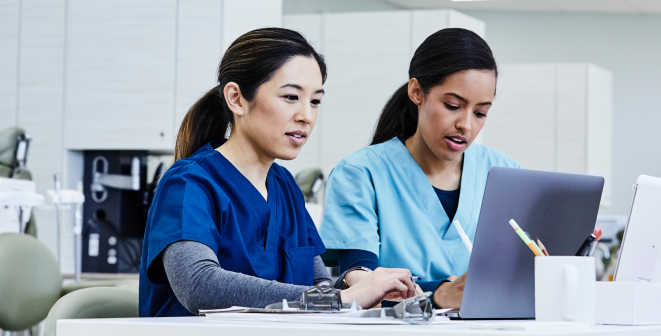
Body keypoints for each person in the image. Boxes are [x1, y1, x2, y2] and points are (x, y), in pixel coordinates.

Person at [139, 28, 420, 317]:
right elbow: (198, 285)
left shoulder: (285, 186)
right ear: (236, 99)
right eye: (290, 97)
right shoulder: (189, 183)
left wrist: (362, 285)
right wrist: (342, 298)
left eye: (315, 101)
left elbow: (318, 284)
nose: (306, 116)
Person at [319, 28, 521, 309]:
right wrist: (438, 294)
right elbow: (361, 285)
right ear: (417, 92)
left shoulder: (504, 173)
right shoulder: (360, 173)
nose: (466, 125)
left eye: (480, 113)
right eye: (452, 105)